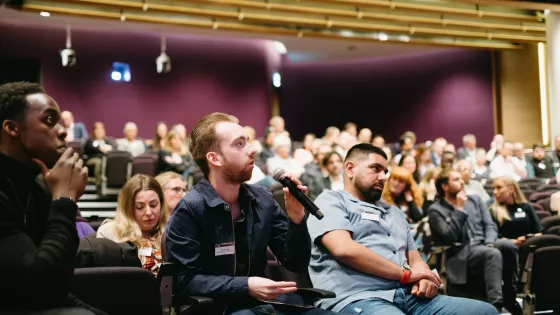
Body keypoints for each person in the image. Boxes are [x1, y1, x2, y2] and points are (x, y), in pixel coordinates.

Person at [165, 112, 339, 315]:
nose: (253, 149)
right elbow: (184, 281)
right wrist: (245, 285)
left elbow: (296, 262)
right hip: (221, 309)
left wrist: (296, 219)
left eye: (247, 141)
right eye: (239, 144)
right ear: (215, 158)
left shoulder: (262, 199)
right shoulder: (190, 209)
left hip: (265, 306)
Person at [307, 143, 497, 315]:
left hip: (409, 297)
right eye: (375, 169)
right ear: (350, 169)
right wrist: (405, 274)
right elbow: (343, 249)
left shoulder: (395, 213)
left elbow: (416, 261)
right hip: (358, 297)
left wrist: (425, 279)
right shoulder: (330, 200)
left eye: (385, 171)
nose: (383, 177)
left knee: (485, 311)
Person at [0, 82, 105, 314]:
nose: (63, 130)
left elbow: (58, 286)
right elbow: (39, 284)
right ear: (12, 128)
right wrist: (65, 200)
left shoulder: (35, 187)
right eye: (49, 120)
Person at [428, 168, 522, 315]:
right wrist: (459, 209)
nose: (462, 182)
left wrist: (490, 243)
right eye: (456, 180)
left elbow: (489, 225)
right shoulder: (436, 209)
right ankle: (495, 307)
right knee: (492, 254)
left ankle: (510, 295)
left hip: (484, 244)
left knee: (509, 246)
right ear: (445, 186)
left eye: (461, 179)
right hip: (460, 252)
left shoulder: (475, 200)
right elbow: (450, 236)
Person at [97, 174, 168, 276]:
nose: (148, 212)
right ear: (127, 208)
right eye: (140, 207)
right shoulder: (108, 233)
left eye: (153, 205)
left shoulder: (172, 231)